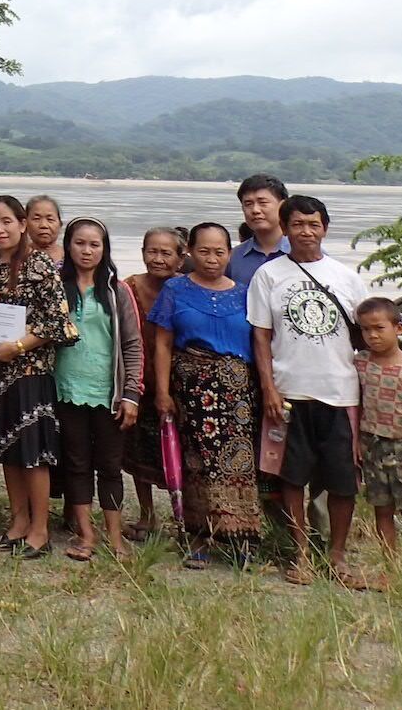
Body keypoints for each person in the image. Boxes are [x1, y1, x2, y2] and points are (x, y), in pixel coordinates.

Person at [249, 194, 370, 587]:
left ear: (325, 228)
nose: (306, 232)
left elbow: (368, 335)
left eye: (314, 224)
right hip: (290, 393)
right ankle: (299, 553)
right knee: (291, 479)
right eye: (297, 224)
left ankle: (336, 555)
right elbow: (262, 337)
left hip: (340, 392)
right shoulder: (269, 275)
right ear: (284, 229)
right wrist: (268, 388)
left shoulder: (347, 277)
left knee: (342, 480)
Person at [149, 222, 260, 569]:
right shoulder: (175, 289)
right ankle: (198, 536)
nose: (212, 259)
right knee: (194, 463)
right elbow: (163, 343)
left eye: (219, 252)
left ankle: (241, 536)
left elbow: (259, 343)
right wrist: (163, 391)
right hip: (191, 390)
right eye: (204, 251)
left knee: (238, 463)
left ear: (230, 253)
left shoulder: (245, 292)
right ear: (190, 253)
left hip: (237, 390)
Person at [0, 194, 68, 558]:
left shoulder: (40, 264)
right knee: (8, 450)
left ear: (22, 224)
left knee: (33, 453)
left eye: (7, 221)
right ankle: (18, 522)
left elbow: (59, 322)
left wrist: (20, 346)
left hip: (29, 372)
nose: (0, 229)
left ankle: (40, 529)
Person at [54, 218, 143, 561]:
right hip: (66, 388)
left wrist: (131, 394)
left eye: (94, 244)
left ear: (104, 249)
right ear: (68, 246)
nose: (87, 251)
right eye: (80, 243)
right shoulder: (57, 287)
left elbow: (133, 345)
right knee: (76, 462)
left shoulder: (116, 290)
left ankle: (116, 537)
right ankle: (86, 535)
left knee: (109, 464)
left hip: (109, 392)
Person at [354, 297, 402, 563]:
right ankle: (390, 568)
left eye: (379, 328)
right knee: (382, 509)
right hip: (372, 447)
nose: (372, 335)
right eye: (366, 330)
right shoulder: (360, 363)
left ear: (398, 328)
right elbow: (355, 406)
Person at [122, 226, 186, 539]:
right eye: (152, 251)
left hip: (181, 383)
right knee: (138, 451)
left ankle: (188, 517)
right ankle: (147, 515)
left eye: (166, 253)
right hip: (139, 379)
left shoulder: (188, 288)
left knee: (184, 452)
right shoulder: (129, 287)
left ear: (180, 257)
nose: (158, 259)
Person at [229, 173, 291, 284]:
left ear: (282, 206)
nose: (255, 210)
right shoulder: (234, 257)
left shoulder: (305, 253)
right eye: (248, 204)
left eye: (263, 203)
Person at [23, 194, 64, 269]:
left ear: (60, 225)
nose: (44, 225)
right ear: (25, 224)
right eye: (36, 219)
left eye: (50, 219)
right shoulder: (17, 257)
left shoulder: (71, 257)